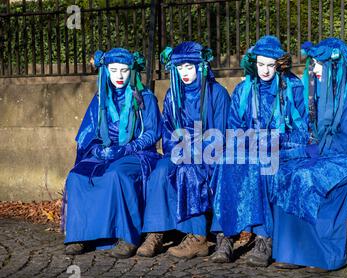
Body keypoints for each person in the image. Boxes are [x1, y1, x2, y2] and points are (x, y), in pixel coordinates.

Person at [271, 38, 347, 271]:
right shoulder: (324, 88)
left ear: (334, 65)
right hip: (330, 153)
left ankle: (326, 255)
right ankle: (294, 251)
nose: (313, 68)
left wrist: (311, 153)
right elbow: (311, 130)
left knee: (311, 176)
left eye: (317, 63)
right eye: (313, 63)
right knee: (284, 171)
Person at [210, 35, 309, 267]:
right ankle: (225, 236)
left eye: (270, 65)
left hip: (282, 150)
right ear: (253, 64)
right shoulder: (243, 89)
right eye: (261, 64)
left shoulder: (293, 87)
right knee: (226, 164)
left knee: (264, 166)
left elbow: (302, 132)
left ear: (279, 64)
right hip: (249, 148)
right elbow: (234, 130)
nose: (265, 70)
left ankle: (264, 238)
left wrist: (273, 140)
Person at [62, 48, 162, 259]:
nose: (118, 75)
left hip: (137, 153)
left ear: (132, 71)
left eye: (124, 70)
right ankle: (82, 234)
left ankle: (127, 237)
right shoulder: (100, 98)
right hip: (105, 152)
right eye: (113, 70)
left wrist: (127, 148)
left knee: (117, 175)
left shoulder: (144, 97)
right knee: (77, 176)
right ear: (105, 71)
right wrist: (96, 148)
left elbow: (153, 132)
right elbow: (88, 132)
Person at [138, 41, 230, 259]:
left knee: (190, 170)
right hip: (180, 151)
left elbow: (223, 133)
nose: (184, 73)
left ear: (201, 66)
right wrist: (177, 150)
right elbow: (167, 128)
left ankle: (197, 236)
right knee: (160, 170)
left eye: (190, 67)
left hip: (210, 154)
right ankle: (156, 232)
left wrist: (197, 151)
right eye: (180, 68)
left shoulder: (218, 93)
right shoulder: (173, 94)